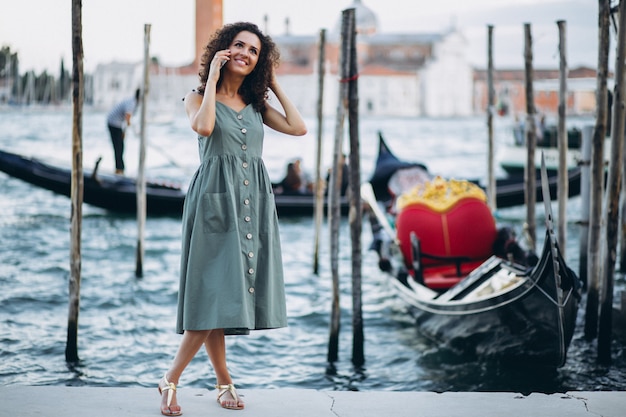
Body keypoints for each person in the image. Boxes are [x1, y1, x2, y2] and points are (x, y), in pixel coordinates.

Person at [157, 22, 307, 416]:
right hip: (213, 203)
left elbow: (298, 126)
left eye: (254, 51)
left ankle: (223, 381)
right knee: (212, 293)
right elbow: (204, 126)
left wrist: (273, 83)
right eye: (238, 45)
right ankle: (171, 378)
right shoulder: (195, 96)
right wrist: (211, 81)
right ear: (223, 50)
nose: (245, 53)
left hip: (251, 204)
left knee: (223, 297)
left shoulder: (256, 104)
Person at [106, 88, 140, 175]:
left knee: (120, 147)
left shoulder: (133, 102)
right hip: (113, 123)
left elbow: (126, 119)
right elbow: (127, 118)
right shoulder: (132, 103)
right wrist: (135, 131)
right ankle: (119, 169)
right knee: (118, 147)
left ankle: (120, 169)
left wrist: (124, 131)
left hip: (117, 124)